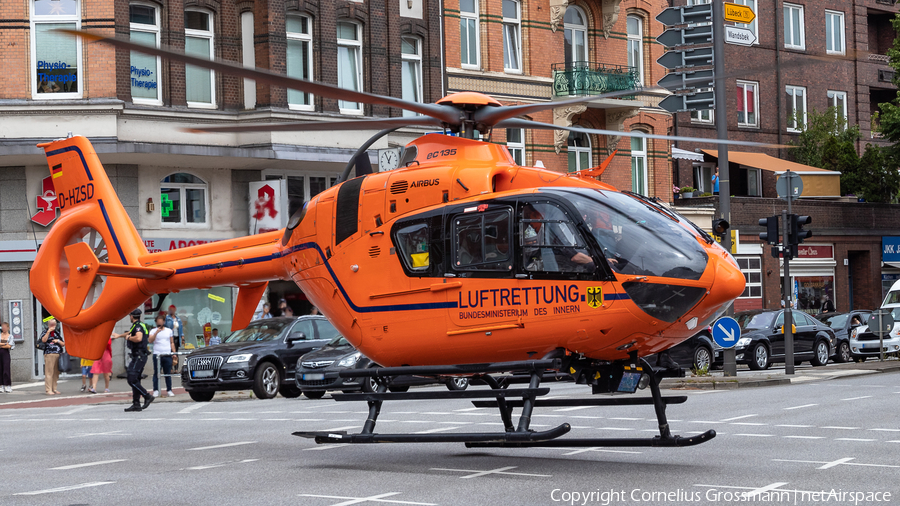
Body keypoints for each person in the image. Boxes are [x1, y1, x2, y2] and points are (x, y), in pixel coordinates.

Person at [114, 309, 153, 412]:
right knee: (136, 379)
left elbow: (138, 338)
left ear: (132, 316)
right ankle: (136, 404)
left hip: (139, 356)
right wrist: (119, 336)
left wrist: (128, 338)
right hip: (140, 356)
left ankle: (147, 396)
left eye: (130, 315)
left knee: (131, 378)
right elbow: (130, 333)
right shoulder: (139, 325)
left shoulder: (138, 326)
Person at [149, 314, 175, 398]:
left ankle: (169, 390)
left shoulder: (169, 331)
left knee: (167, 373)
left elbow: (171, 342)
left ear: (164, 322)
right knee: (157, 372)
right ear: (156, 322)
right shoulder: (153, 331)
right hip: (157, 354)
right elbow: (150, 340)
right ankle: (156, 390)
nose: (160, 323)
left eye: (161, 321)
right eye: (158, 322)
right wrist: (156, 332)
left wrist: (174, 353)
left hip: (167, 354)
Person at [40, 319, 64, 395]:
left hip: (58, 353)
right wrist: (48, 332)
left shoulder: (57, 333)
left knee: (56, 372)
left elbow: (63, 344)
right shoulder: (45, 332)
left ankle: (54, 388)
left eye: (54, 324)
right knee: (49, 372)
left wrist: (58, 341)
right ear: (48, 325)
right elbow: (43, 340)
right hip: (49, 353)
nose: (53, 326)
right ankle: (48, 389)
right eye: (51, 324)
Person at [0, 322, 13, 393]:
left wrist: (1, 345)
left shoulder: (10, 336)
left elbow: (9, 346)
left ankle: (8, 385)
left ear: (8, 328)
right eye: (2, 327)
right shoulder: (0, 335)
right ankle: (1, 385)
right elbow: (7, 344)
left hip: (6, 353)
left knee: (6, 369)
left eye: (5, 327)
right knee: (0, 369)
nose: (3, 328)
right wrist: (5, 343)